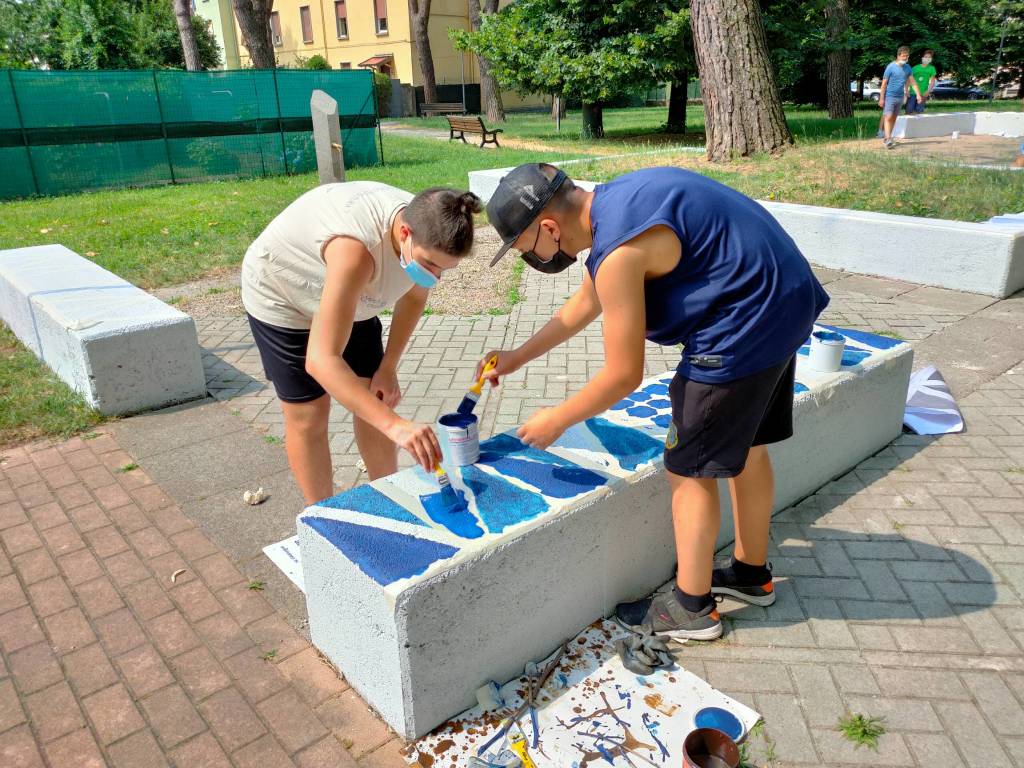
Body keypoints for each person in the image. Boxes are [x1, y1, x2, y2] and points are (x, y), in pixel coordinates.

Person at [477, 164, 829, 640]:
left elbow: (623, 375)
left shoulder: (618, 252)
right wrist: (517, 357)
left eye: (525, 251)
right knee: (747, 448)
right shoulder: (617, 204)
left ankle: (691, 608)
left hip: (742, 326)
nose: (532, 262)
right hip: (784, 299)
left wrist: (557, 419)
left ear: (549, 228)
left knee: (689, 468)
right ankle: (750, 574)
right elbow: (584, 304)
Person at [241, 182, 483, 504]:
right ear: (405, 233)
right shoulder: (357, 251)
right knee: (310, 414)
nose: (435, 276)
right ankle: (324, 515)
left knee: (376, 396)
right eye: (430, 265)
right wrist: (397, 427)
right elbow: (321, 360)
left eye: (444, 269)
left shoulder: (428, 229)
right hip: (282, 295)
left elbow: (413, 299)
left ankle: (389, 496)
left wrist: (388, 367)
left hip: (348, 293)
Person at [879, 45, 923, 148]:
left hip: (900, 97)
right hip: (890, 96)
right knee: (888, 116)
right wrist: (881, 98)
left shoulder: (908, 68)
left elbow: (913, 82)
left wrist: (918, 94)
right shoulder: (890, 67)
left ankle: (887, 137)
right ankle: (888, 139)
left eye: (907, 56)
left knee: (894, 118)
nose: (905, 58)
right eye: (903, 56)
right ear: (898, 56)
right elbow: (884, 84)